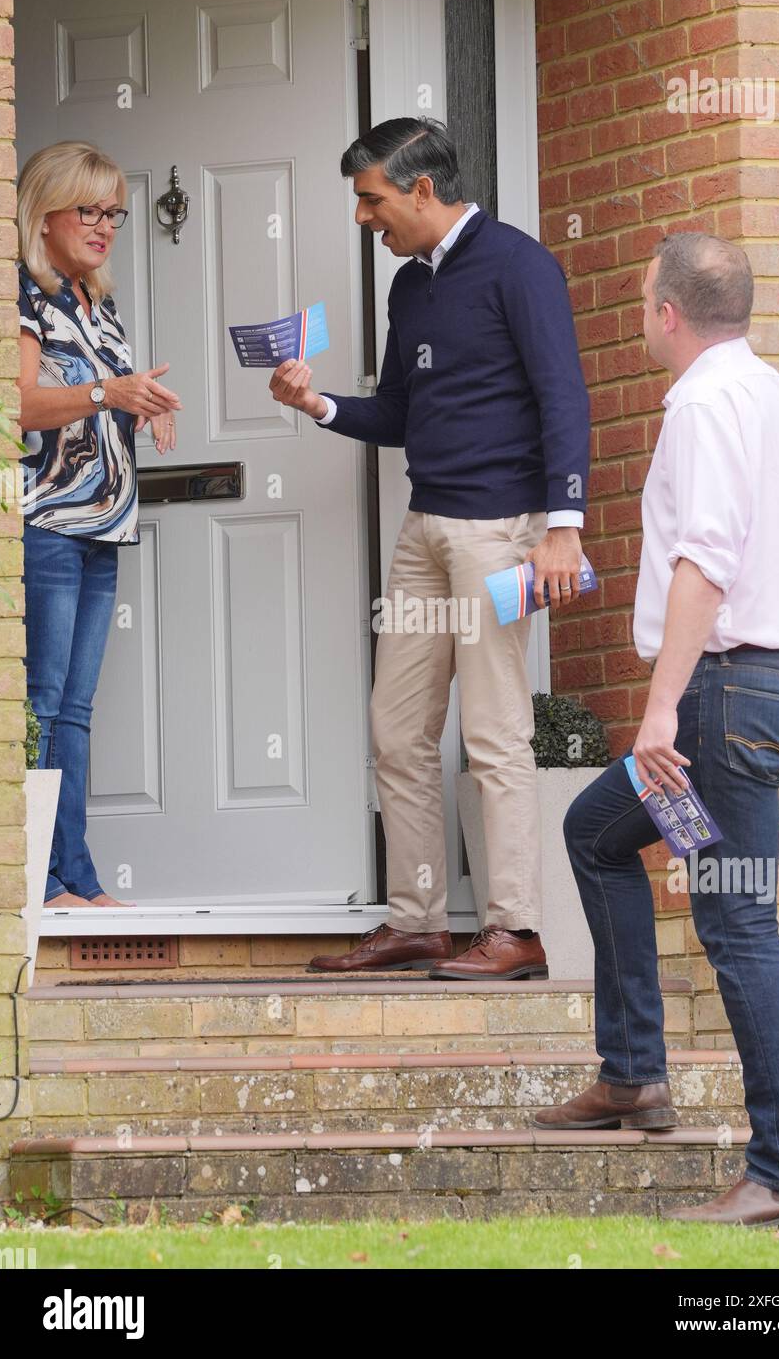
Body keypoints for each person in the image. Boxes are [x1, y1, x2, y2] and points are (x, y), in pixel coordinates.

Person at [533, 232, 779, 1228]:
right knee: (599, 832)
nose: (638, 318)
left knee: (737, 918)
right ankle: (633, 1076)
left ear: (669, 312)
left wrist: (663, 707)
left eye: (641, 302)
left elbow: (705, 557)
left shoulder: (703, 403)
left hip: (721, 699)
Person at [270, 118, 590, 978]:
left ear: (420, 188)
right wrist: (319, 404)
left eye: (371, 200)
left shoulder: (519, 264)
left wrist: (564, 525)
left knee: (493, 732)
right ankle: (416, 919)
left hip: (502, 534)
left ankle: (515, 930)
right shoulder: (409, 288)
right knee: (397, 731)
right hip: (424, 531)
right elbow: (401, 415)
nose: (363, 218)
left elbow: (564, 394)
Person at [17, 141, 182, 908]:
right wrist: (106, 397)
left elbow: (105, 397)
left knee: (74, 713)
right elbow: (16, 405)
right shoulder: (21, 296)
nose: (104, 224)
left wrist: (142, 408)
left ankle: (76, 874)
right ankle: (41, 879)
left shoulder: (95, 302)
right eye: (88, 209)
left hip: (103, 528)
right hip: (47, 524)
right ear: (43, 211)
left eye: (113, 212)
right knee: (43, 705)